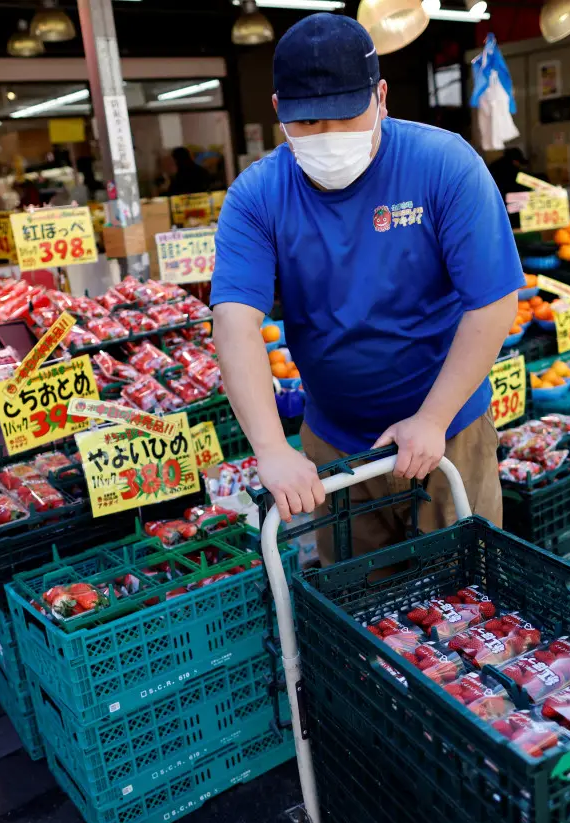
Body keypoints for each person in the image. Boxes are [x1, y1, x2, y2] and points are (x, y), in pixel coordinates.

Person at [211, 14, 521, 563]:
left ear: (380, 96)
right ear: (279, 109)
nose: (329, 137)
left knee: (465, 595)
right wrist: (270, 449)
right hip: (335, 441)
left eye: (346, 116)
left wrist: (433, 419)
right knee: (358, 604)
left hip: (450, 430)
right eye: (309, 123)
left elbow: (494, 303)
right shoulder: (256, 196)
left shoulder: (444, 165)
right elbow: (235, 322)